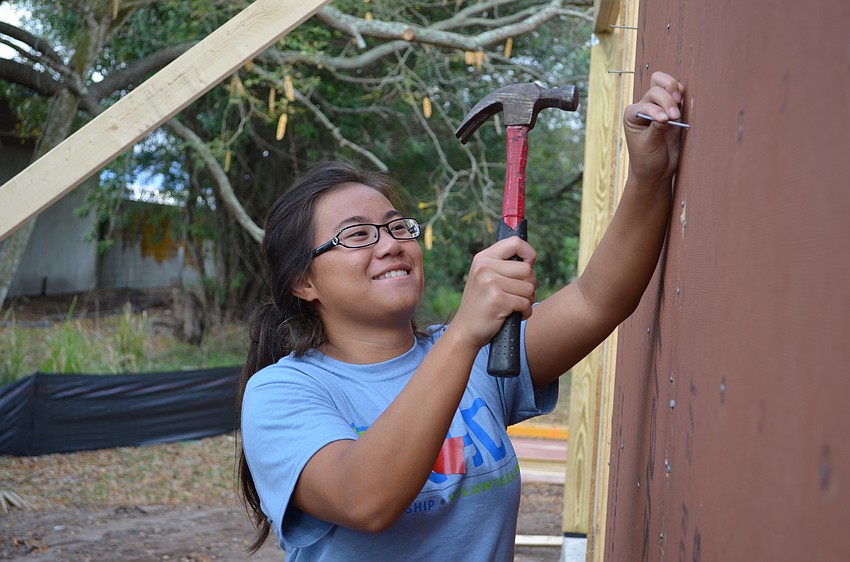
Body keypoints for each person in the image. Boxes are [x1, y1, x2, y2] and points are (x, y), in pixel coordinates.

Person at [236, 71, 686, 560]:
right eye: (357, 236)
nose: (390, 245)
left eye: (397, 227)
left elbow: (599, 300)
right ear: (304, 282)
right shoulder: (282, 393)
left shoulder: (479, 357)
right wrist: (466, 333)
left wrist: (648, 176)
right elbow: (364, 500)